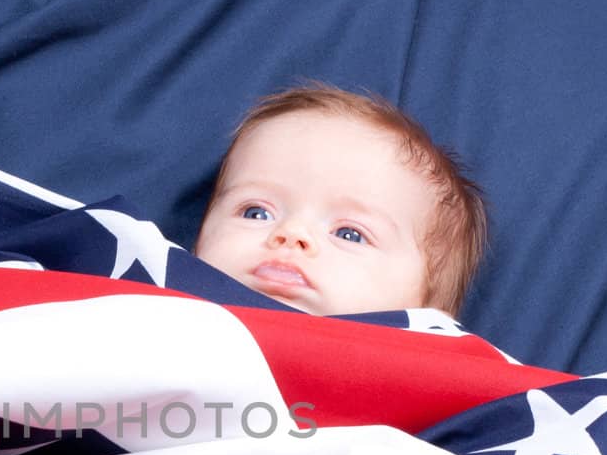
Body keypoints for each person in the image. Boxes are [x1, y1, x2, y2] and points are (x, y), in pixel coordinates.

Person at [193, 82, 487, 318]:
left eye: (350, 234)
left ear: (427, 316)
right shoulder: (157, 308)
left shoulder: (437, 379)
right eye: (255, 213)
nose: (292, 234)